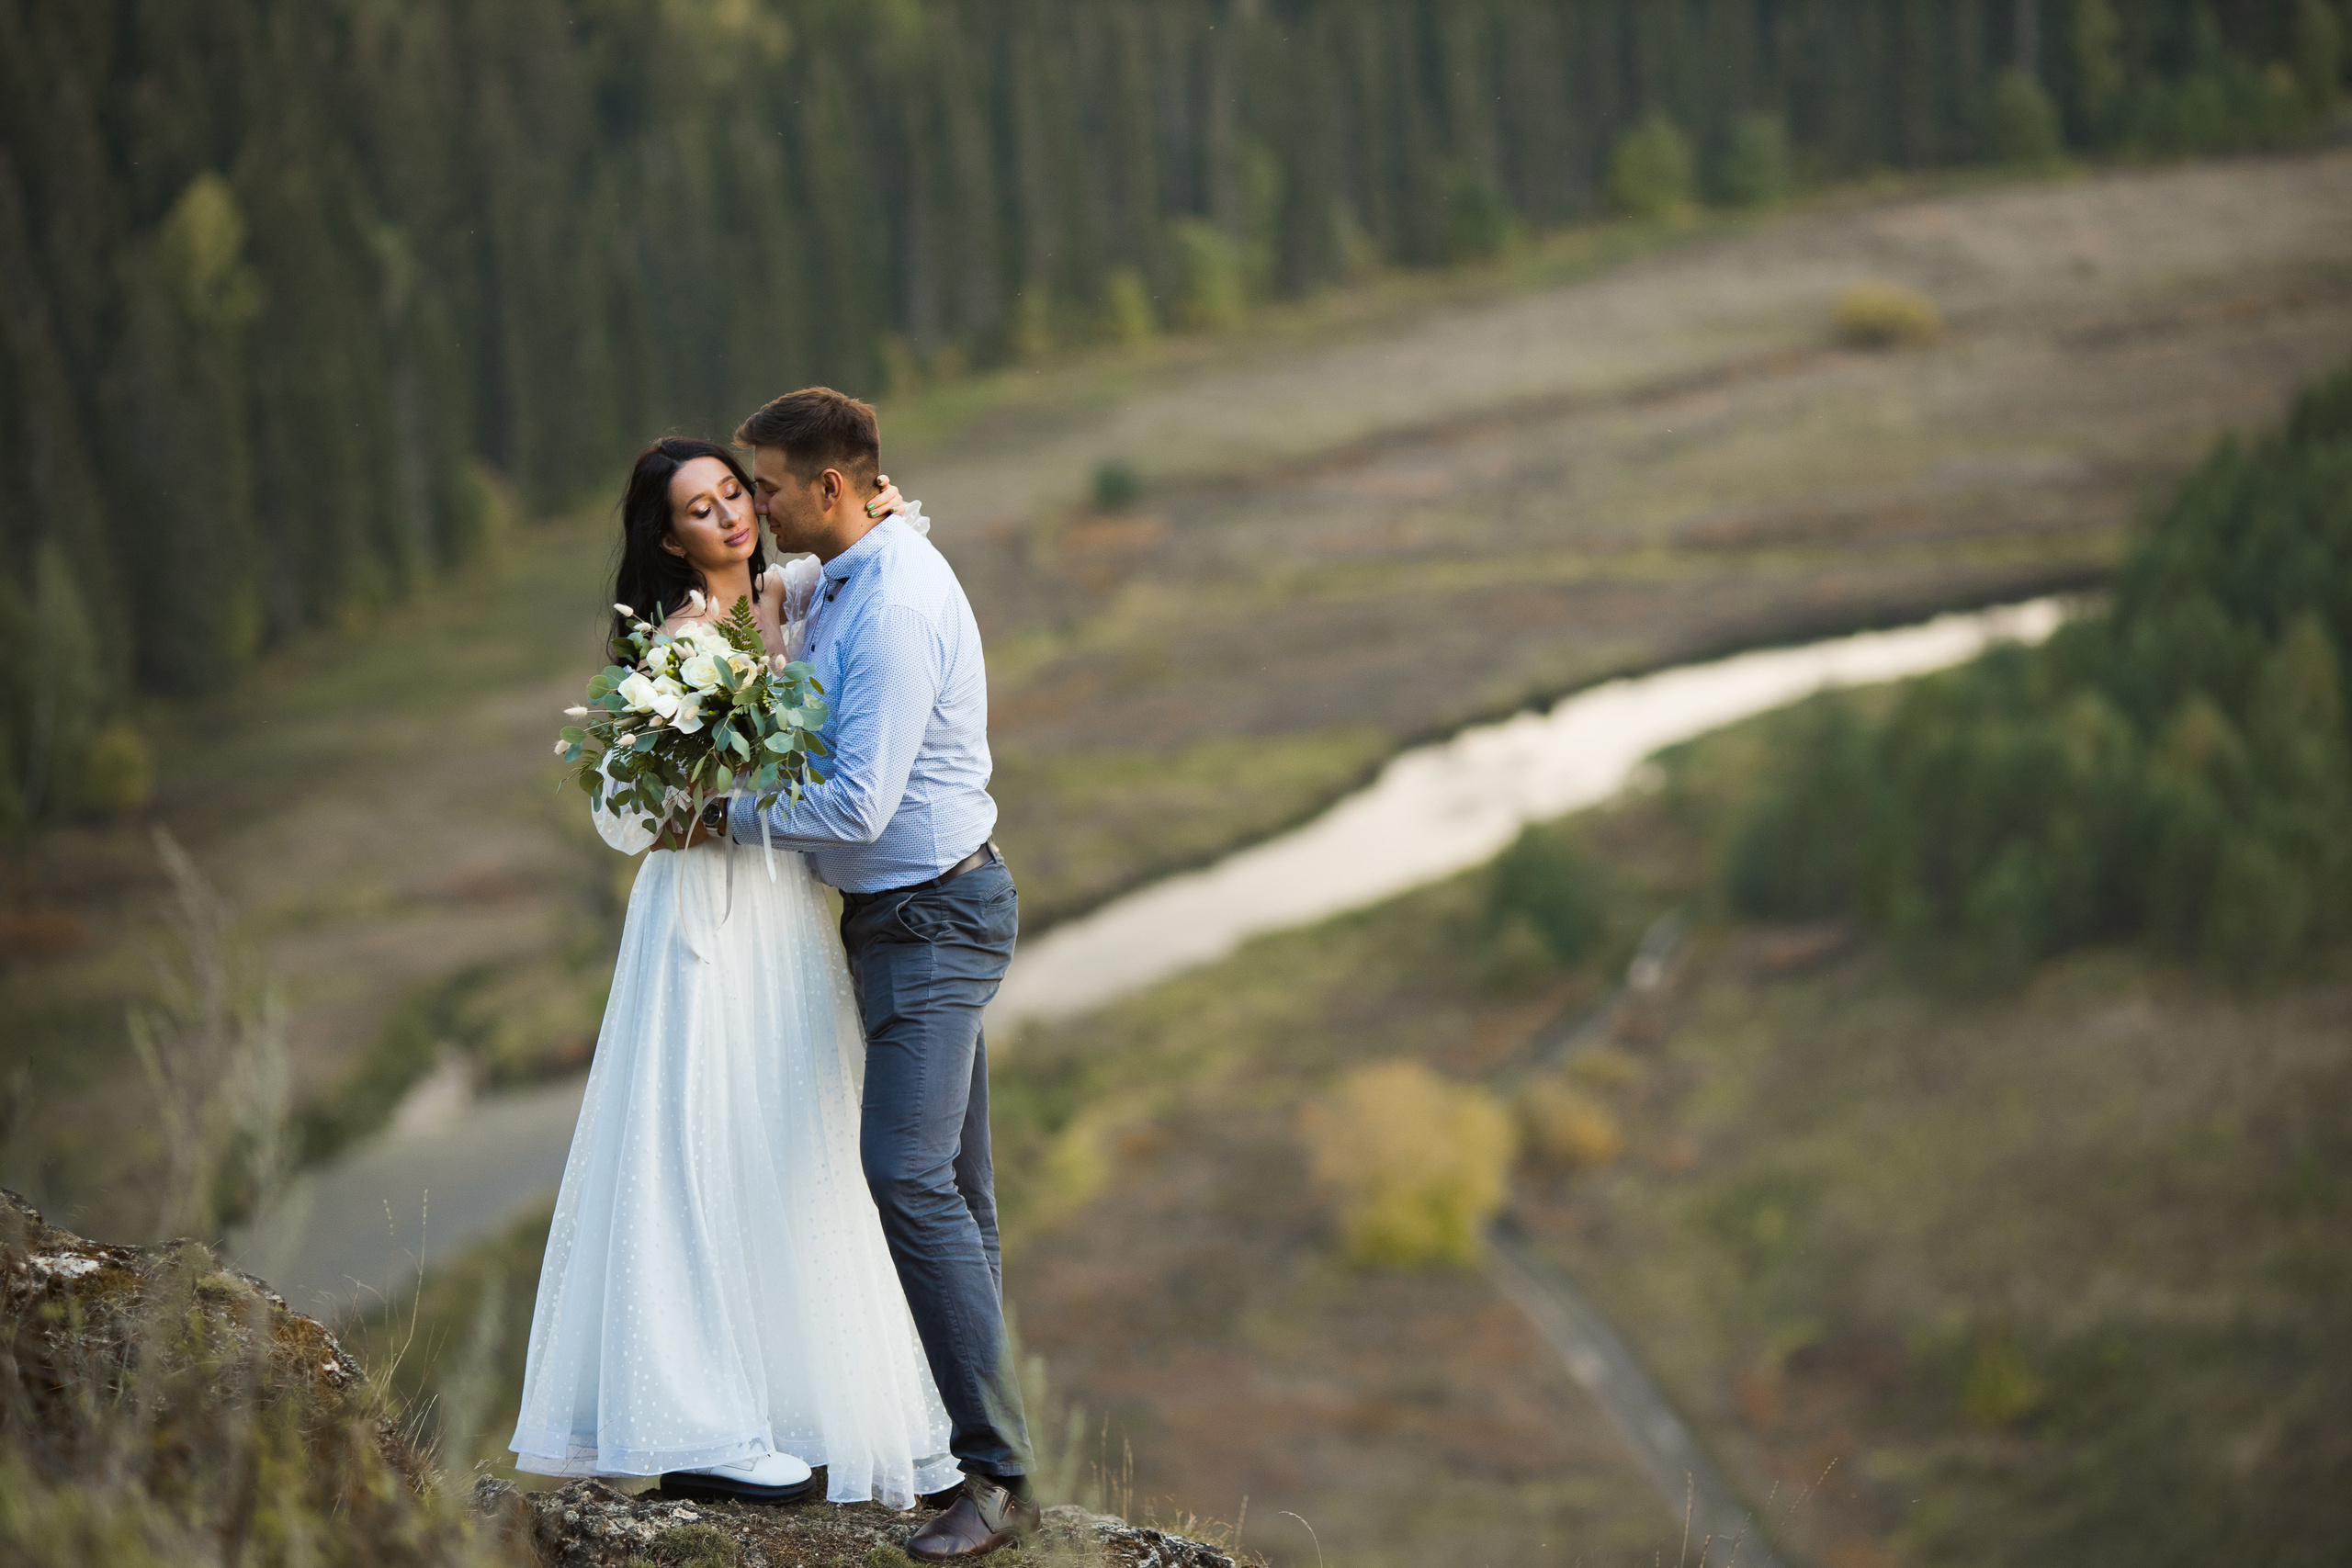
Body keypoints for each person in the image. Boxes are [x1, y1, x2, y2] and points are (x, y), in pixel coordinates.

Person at [506, 437, 965, 1511]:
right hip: (707, 917)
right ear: (667, 537)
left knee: (790, 1140)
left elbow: (878, 548)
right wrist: (695, 799)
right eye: (699, 509)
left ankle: (796, 1407)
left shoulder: (793, 598)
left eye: (733, 494)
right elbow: (624, 811)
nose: (728, 516)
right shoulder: (674, 643)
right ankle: (701, 1423)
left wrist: (888, 511)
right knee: (697, 1135)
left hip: (789, 911)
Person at [679, 387, 1036, 1561]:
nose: (758, 509)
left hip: (934, 918)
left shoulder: (892, 607)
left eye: (771, 488)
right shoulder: (846, 573)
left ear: (830, 488)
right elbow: (794, 597)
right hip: (899, 918)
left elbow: (853, 802)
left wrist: (723, 818)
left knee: (905, 1176)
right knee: (958, 1195)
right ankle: (973, 1458)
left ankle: (992, 1480)